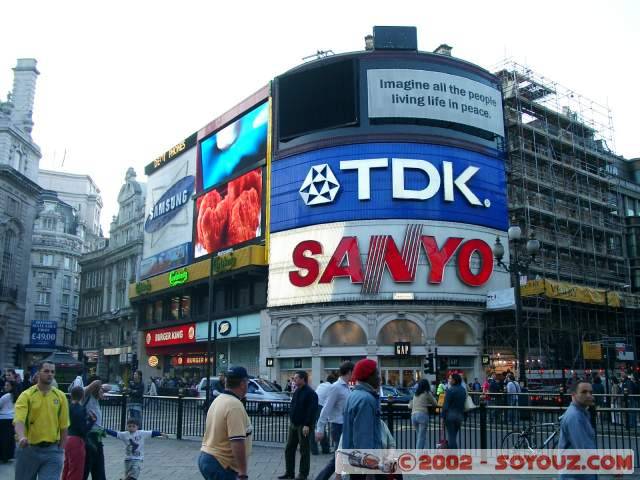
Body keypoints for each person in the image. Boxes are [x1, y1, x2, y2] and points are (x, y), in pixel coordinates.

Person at [13, 361, 70, 480]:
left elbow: (64, 425)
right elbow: (19, 420)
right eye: (46, 371)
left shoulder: (60, 396)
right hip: (28, 449)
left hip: (52, 451)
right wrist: (22, 436)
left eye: (53, 372)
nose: (50, 374)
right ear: (38, 373)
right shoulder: (26, 396)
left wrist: (61, 448)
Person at [199, 366, 252, 480]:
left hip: (208, 456)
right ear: (243, 384)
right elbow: (237, 441)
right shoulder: (234, 405)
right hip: (222, 463)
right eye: (247, 382)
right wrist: (243, 473)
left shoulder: (219, 400)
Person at [340, 359, 384, 480]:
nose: (379, 378)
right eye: (377, 374)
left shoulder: (353, 395)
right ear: (369, 376)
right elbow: (363, 436)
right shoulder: (366, 400)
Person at [314, 361, 354, 480]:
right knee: (338, 456)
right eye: (354, 372)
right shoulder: (336, 387)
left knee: (341, 455)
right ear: (349, 372)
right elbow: (326, 408)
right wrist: (320, 429)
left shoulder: (347, 387)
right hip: (338, 426)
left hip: (345, 425)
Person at [279, 371, 318, 480]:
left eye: (296, 378)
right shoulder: (297, 391)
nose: (294, 380)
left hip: (303, 425)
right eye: (294, 378)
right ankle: (289, 472)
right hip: (294, 424)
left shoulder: (310, 393)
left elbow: (311, 410)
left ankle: (303, 474)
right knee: (289, 448)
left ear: (302, 379)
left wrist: (307, 424)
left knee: (304, 450)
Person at [559, 382, 596, 480]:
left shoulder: (582, 413)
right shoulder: (575, 417)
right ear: (573, 395)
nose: (589, 395)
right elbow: (584, 447)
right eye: (584, 392)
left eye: (590, 392)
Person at [62, 386, 95, 480]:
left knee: (67, 467)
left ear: (71, 395)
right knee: (76, 470)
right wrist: (92, 421)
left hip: (67, 438)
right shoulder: (81, 409)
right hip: (77, 440)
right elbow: (83, 430)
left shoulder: (68, 407)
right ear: (82, 396)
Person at [83, 376, 111, 480]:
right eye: (100, 390)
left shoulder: (95, 398)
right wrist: (97, 386)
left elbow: (109, 387)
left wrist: (101, 388)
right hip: (88, 437)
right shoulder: (85, 395)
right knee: (85, 469)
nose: (102, 393)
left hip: (97, 438)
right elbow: (94, 384)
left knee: (99, 471)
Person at [409, 378, 436, 450]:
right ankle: (418, 455)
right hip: (422, 415)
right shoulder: (427, 392)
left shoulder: (416, 393)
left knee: (420, 436)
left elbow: (410, 405)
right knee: (421, 437)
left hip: (413, 415)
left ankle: (423, 452)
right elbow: (434, 403)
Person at [311, 375, 335, 455]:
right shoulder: (332, 387)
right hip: (320, 406)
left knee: (312, 428)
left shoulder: (321, 385)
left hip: (312, 405)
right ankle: (325, 449)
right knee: (321, 429)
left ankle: (314, 450)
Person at [441, 373, 466, 449]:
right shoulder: (463, 390)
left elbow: (445, 405)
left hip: (450, 416)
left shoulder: (450, 390)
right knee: (454, 436)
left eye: (450, 378)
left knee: (451, 437)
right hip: (459, 416)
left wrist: (442, 417)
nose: (449, 380)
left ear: (454, 381)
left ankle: (453, 456)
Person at [0, 380, 18, 463]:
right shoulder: (16, 396)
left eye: (7, 385)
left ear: (11, 386)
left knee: (3, 439)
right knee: (10, 439)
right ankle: (9, 455)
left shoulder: (6, 396)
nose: (5, 387)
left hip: (3, 418)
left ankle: (3, 456)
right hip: (12, 418)